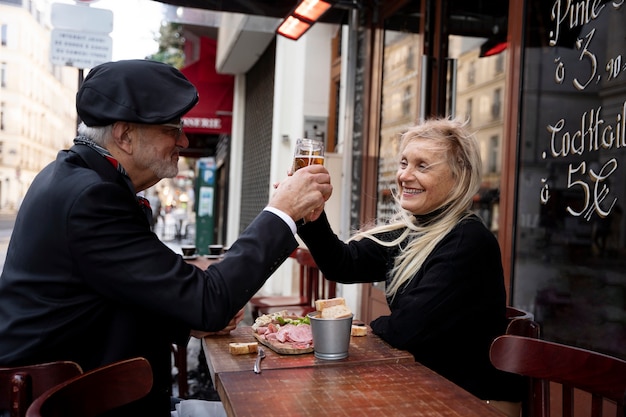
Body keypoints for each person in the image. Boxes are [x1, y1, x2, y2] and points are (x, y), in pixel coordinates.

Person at [0, 60, 331, 417]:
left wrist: (185, 319)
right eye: (172, 129)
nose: (184, 141)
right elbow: (209, 300)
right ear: (125, 135)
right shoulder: (91, 197)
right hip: (75, 404)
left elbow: (113, 291)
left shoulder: (79, 179)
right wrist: (283, 211)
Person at [297, 117, 524, 417]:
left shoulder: (468, 241)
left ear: (458, 177)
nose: (405, 175)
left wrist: (363, 329)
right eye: (404, 163)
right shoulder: (415, 230)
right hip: (426, 387)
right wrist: (311, 215)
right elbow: (344, 264)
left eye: (422, 165)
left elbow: (406, 330)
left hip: (475, 403)